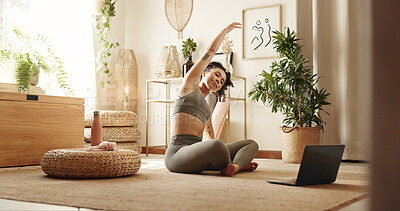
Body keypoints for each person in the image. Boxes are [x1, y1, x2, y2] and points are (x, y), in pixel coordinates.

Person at [164, 22, 259, 177]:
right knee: (218, 146)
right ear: (204, 73)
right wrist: (225, 30)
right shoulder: (188, 86)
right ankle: (235, 164)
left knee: (250, 144)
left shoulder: (207, 109)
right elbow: (211, 50)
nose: (218, 81)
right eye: (216, 74)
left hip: (196, 154)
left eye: (221, 81)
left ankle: (234, 166)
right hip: (177, 155)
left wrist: (217, 150)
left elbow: (210, 140)